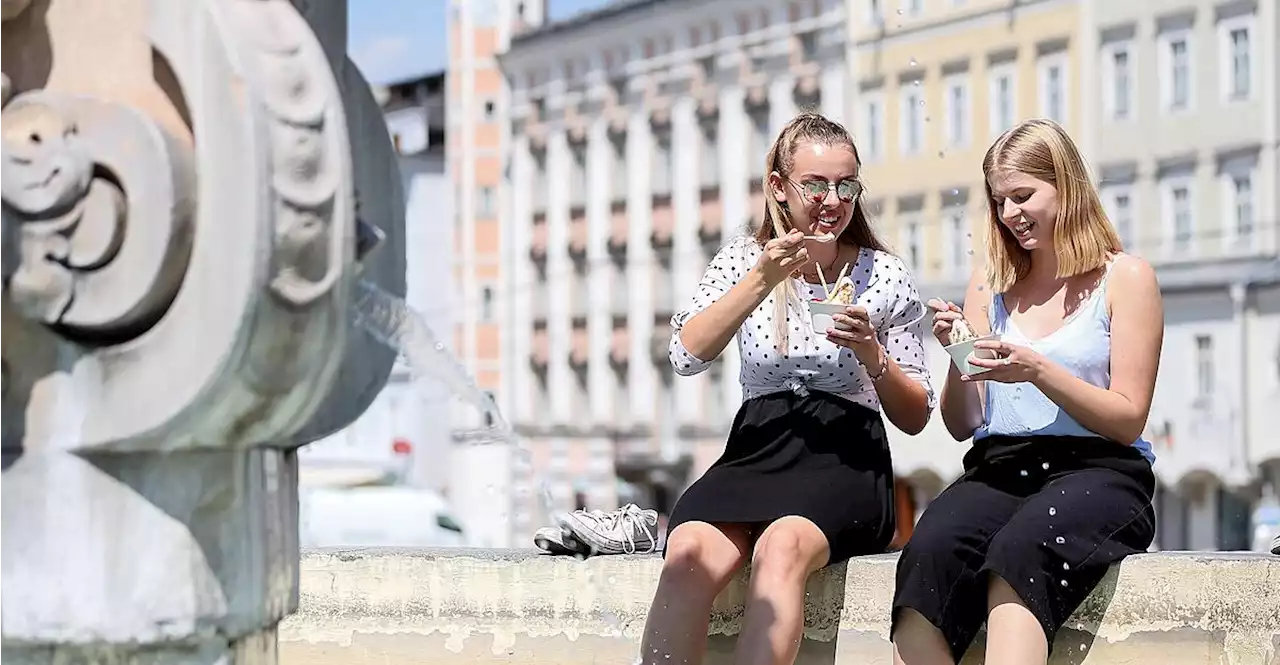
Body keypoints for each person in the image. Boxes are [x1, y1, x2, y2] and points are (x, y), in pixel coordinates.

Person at [637, 112, 935, 665]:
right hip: (759, 444)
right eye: (815, 185)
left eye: (846, 185)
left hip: (845, 453)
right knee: (687, 550)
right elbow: (685, 355)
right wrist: (761, 281)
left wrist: (872, 354)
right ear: (778, 186)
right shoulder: (745, 258)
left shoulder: (883, 273)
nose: (833, 200)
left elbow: (916, 413)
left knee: (782, 546)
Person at [891, 118, 1162, 665]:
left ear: (1065, 186)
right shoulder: (988, 284)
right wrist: (957, 359)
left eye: (1023, 195)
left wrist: (1039, 371)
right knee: (927, 552)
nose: (1010, 214)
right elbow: (963, 423)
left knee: (1020, 553)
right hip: (1000, 465)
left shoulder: (1126, 278)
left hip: (1101, 469)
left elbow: (1128, 418)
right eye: (999, 202)